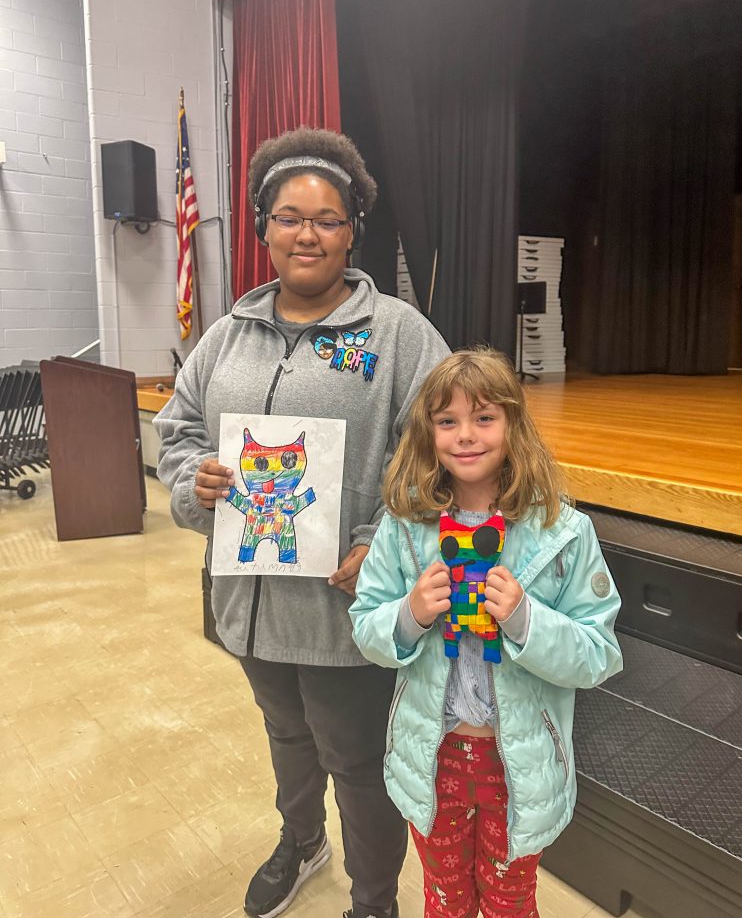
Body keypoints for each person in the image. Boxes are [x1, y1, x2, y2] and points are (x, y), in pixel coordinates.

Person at [154, 127, 450, 918]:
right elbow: (176, 433)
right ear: (263, 229)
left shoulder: (399, 336)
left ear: (352, 230)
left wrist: (378, 542)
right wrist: (197, 484)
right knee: (285, 735)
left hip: (342, 610)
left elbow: (437, 458)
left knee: (355, 761)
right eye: (289, 216)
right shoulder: (226, 337)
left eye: (326, 218)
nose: (307, 233)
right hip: (247, 600)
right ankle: (301, 839)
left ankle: (375, 899)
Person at [350, 348, 622, 918]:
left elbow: (599, 654)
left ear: (513, 425)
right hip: (434, 758)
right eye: (447, 421)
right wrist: (411, 614)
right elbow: (366, 630)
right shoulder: (404, 529)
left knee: (510, 903)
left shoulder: (563, 532)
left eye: (484, 417)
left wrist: (525, 620)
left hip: (518, 767)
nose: (465, 435)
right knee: (444, 901)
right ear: (427, 433)